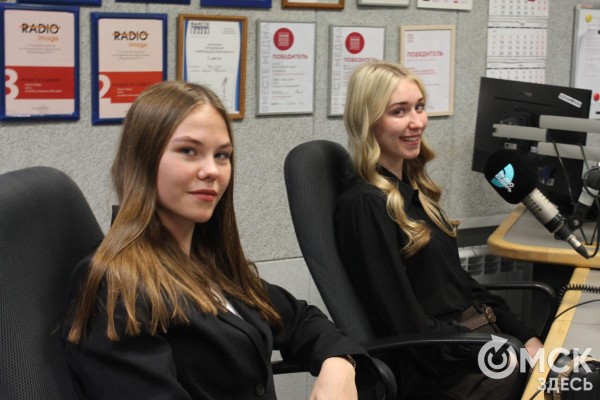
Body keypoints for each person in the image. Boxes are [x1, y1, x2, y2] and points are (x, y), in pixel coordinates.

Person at [62, 81, 374, 400]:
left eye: (222, 155)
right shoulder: (117, 286)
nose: (212, 170)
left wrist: (338, 363)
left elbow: (299, 318)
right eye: (189, 151)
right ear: (142, 159)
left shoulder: (206, 259)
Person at [334, 60, 543, 400]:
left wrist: (523, 334)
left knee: (576, 375)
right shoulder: (365, 205)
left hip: (467, 345)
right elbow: (404, 322)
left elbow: (459, 284)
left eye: (419, 107)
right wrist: (497, 352)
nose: (417, 122)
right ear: (368, 120)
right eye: (399, 111)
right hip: (440, 371)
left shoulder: (412, 192)